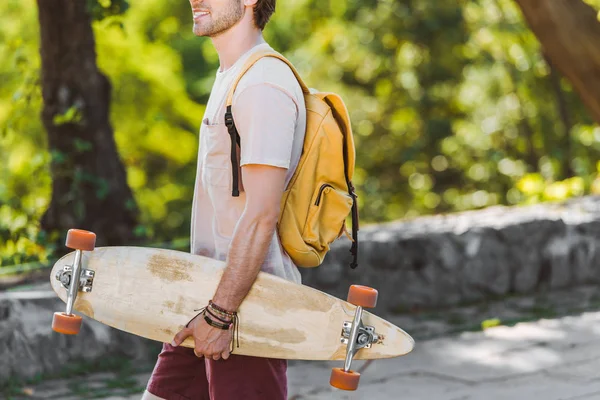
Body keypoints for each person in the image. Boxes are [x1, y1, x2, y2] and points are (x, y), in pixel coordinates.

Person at [142, 0, 306, 399]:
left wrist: (221, 314)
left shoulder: (263, 83)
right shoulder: (233, 76)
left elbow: (262, 215)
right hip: (205, 295)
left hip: (246, 309)